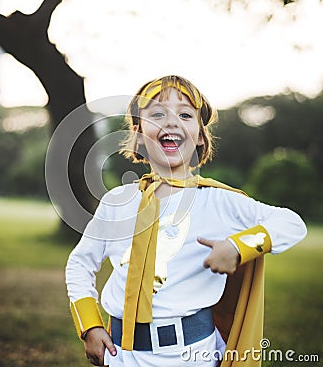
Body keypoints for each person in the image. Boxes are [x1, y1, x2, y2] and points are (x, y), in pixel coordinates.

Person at [65, 75, 307, 367]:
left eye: (184, 114)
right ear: (139, 135)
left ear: (200, 136)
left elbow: (291, 223)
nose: (170, 122)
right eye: (157, 114)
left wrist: (237, 246)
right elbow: (80, 263)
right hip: (122, 357)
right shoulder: (117, 202)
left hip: (192, 356)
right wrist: (90, 325)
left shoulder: (218, 201)